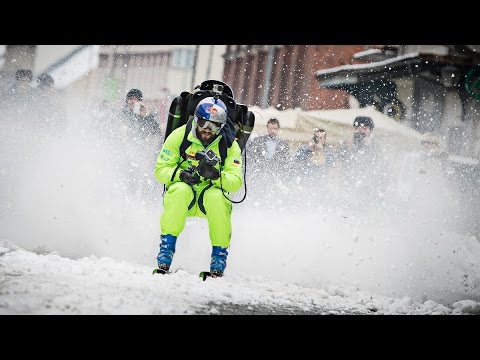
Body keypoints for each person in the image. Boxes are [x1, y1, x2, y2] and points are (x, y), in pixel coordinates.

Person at [154, 96, 242, 277]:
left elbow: (235, 183)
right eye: (203, 123)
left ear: (222, 127)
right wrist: (180, 175)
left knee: (217, 198)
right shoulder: (179, 136)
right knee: (179, 190)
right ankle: (166, 252)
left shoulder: (229, 146)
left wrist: (217, 176)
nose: (207, 130)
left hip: (208, 196)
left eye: (214, 126)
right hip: (185, 194)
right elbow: (160, 169)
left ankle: (218, 257)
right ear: (195, 120)